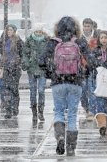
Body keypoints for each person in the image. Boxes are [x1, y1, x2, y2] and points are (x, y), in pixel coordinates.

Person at [39, 16, 92, 156]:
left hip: (58, 82)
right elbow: (91, 61)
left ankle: (60, 136)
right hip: (76, 82)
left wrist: (51, 73)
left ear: (58, 28)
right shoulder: (79, 42)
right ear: (76, 28)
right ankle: (71, 146)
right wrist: (85, 72)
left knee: (58, 111)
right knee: (73, 114)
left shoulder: (52, 42)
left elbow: (41, 61)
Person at [0, 24, 24, 119]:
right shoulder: (1, 41)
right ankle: (8, 110)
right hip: (5, 68)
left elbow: (23, 54)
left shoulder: (19, 41)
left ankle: (15, 107)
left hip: (15, 69)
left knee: (14, 88)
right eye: (8, 30)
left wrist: (19, 62)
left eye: (11, 30)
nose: (9, 32)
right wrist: (0, 64)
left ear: (14, 31)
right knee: (6, 89)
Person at [22, 23, 50, 122]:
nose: (38, 33)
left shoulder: (47, 40)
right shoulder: (29, 40)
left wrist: (48, 63)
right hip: (32, 68)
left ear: (42, 31)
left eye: (40, 31)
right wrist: (27, 62)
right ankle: (34, 112)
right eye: (37, 31)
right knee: (33, 91)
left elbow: (50, 53)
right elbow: (25, 53)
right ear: (34, 31)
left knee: (41, 90)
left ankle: (41, 111)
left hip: (42, 69)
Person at [80, 18, 99, 120]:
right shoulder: (79, 38)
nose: (87, 28)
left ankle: (92, 110)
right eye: (85, 26)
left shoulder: (96, 38)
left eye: (88, 26)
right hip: (82, 68)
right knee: (83, 90)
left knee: (92, 89)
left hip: (93, 68)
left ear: (92, 26)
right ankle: (85, 107)